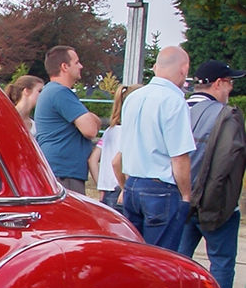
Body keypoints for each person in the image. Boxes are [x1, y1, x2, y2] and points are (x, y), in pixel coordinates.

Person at [178, 59, 246, 288]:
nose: (230, 88)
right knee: (222, 261)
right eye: (229, 83)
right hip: (213, 202)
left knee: (179, 259)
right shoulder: (225, 115)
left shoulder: (177, 108)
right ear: (218, 83)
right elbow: (228, 160)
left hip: (180, 198)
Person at [112, 46, 196, 251]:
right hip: (161, 187)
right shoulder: (175, 101)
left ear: (156, 67)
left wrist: (124, 186)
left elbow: (121, 154)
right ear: (184, 69)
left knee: (134, 254)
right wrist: (186, 195)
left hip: (132, 184)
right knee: (160, 259)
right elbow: (179, 156)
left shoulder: (133, 97)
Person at [33, 45, 101, 193]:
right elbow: (90, 130)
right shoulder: (60, 93)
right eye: (76, 62)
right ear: (64, 66)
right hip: (64, 175)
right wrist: (89, 117)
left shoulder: (52, 92)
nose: (81, 66)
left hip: (60, 171)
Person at [92, 85, 136, 210]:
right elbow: (118, 162)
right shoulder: (131, 132)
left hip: (106, 191)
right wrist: (124, 187)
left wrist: (101, 185)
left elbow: (93, 160)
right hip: (121, 189)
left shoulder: (109, 130)